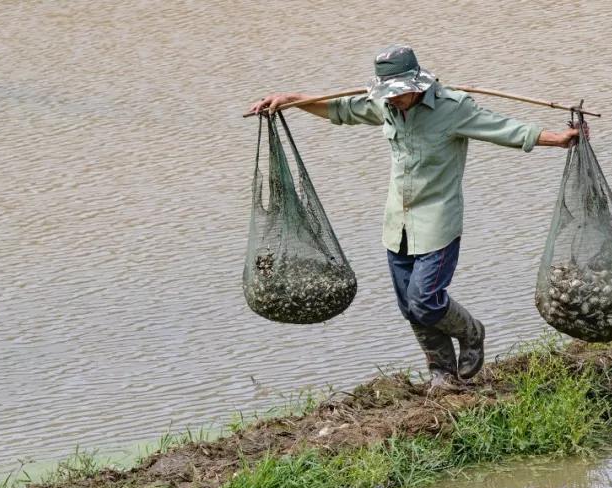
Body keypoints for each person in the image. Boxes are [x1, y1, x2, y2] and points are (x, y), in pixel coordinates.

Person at [248, 45, 580, 390]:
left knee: (425, 300)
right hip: (398, 225)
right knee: (409, 307)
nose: (393, 100)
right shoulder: (387, 105)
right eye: (387, 94)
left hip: (437, 223)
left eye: (398, 94)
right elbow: (340, 109)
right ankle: (443, 373)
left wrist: (557, 139)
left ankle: (472, 332)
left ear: (417, 84)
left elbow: (505, 129)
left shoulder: (453, 108)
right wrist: (291, 100)